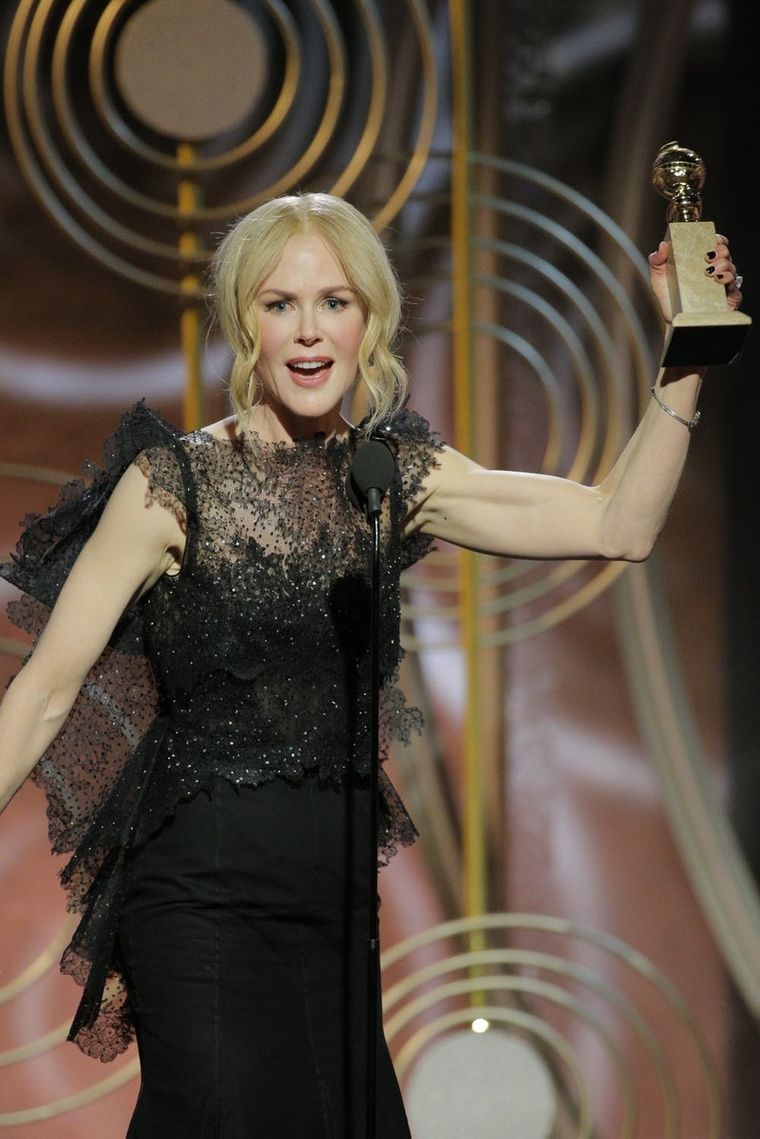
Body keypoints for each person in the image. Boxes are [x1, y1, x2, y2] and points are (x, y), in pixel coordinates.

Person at [0, 191, 742, 1137]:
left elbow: (616, 525)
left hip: (334, 910)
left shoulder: (389, 477)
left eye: (335, 302)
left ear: (371, 320)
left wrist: (688, 356)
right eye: (281, 304)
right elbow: (45, 691)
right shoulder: (173, 486)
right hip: (199, 900)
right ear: (246, 325)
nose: (310, 332)